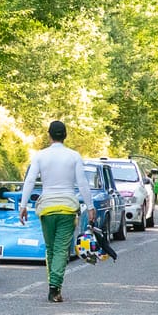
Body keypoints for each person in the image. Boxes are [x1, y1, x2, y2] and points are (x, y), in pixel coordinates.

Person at [18, 121, 96, 303]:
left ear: (49, 135)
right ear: (65, 135)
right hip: (67, 207)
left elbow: (29, 181)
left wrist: (23, 206)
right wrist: (90, 207)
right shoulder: (74, 156)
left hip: (47, 208)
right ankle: (54, 288)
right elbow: (82, 183)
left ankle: (53, 284)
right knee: (61, 249)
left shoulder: (40, 156)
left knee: (51, 248)